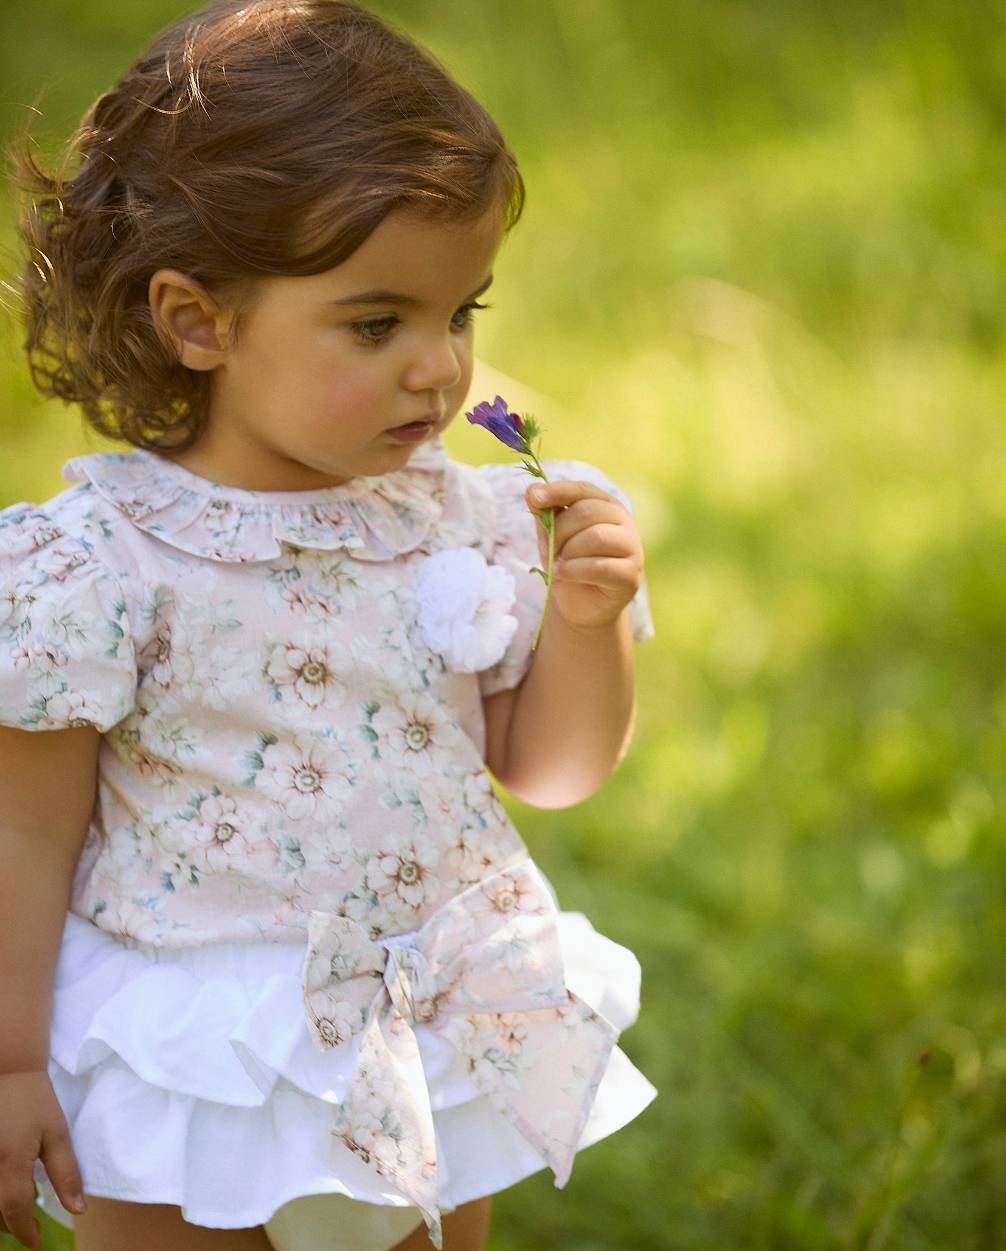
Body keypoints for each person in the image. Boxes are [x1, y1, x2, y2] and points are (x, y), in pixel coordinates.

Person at [0, 2, 657, 1249]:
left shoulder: (465, 522)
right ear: (199, 322)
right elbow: (21, 832)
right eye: (378, 323)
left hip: (432, 1021)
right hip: (201, 1061)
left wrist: (588, 622)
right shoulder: (100, 562)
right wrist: (8, 1064)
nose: (439, 370)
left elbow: (549, 771)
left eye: (461, 315)